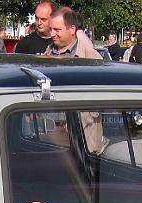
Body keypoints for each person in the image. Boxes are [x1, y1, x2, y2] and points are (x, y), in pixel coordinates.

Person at [44, 8, 103, 153]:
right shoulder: (48, 53)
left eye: (57, 29)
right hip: (52, 137)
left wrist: (79, 119)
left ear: (72, 29)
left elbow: (101, 97)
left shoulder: (91, 58)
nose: (52, 34)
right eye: (51, 29)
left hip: (84, 137)